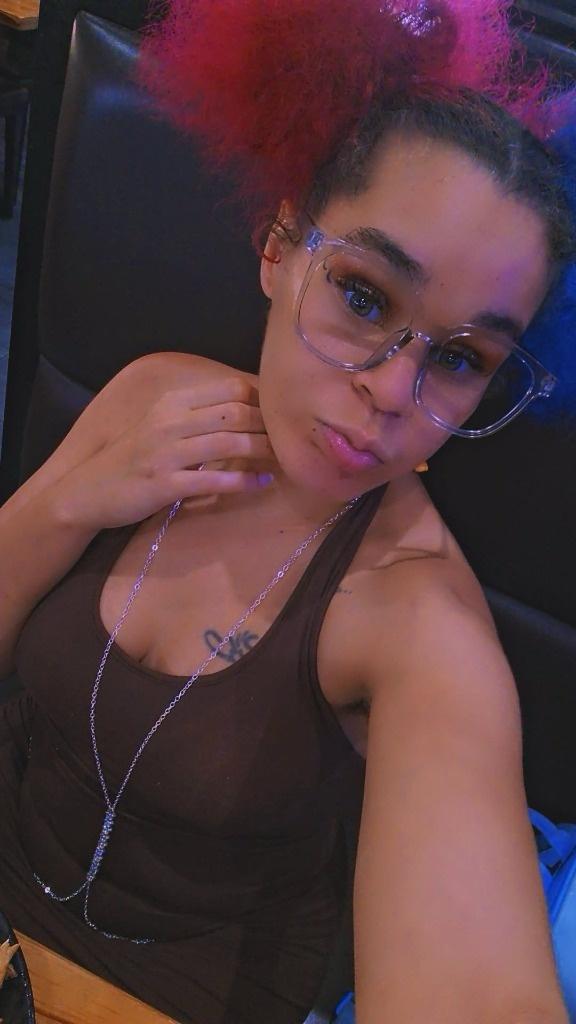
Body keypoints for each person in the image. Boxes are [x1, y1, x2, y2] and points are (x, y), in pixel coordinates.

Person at [1, 1, 575, 1022]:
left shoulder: (420, 624)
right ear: (278, 245)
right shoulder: (153, 395)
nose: (391, 393)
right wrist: (69, 500)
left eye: (459, 358)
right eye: (364, 295)